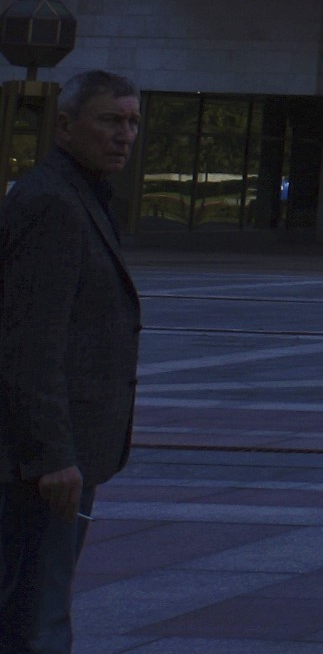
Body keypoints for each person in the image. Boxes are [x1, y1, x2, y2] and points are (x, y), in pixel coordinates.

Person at [1, 71, 144, 654]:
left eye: (133, 122)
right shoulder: (54, 203)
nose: (125, 136)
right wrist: (54, 455)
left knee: (32, 608)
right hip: (42, 464)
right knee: (36, 618)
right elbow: (31, 342)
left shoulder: (81, 195)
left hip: (58, 456)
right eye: (111, 120)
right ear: (65, 125)